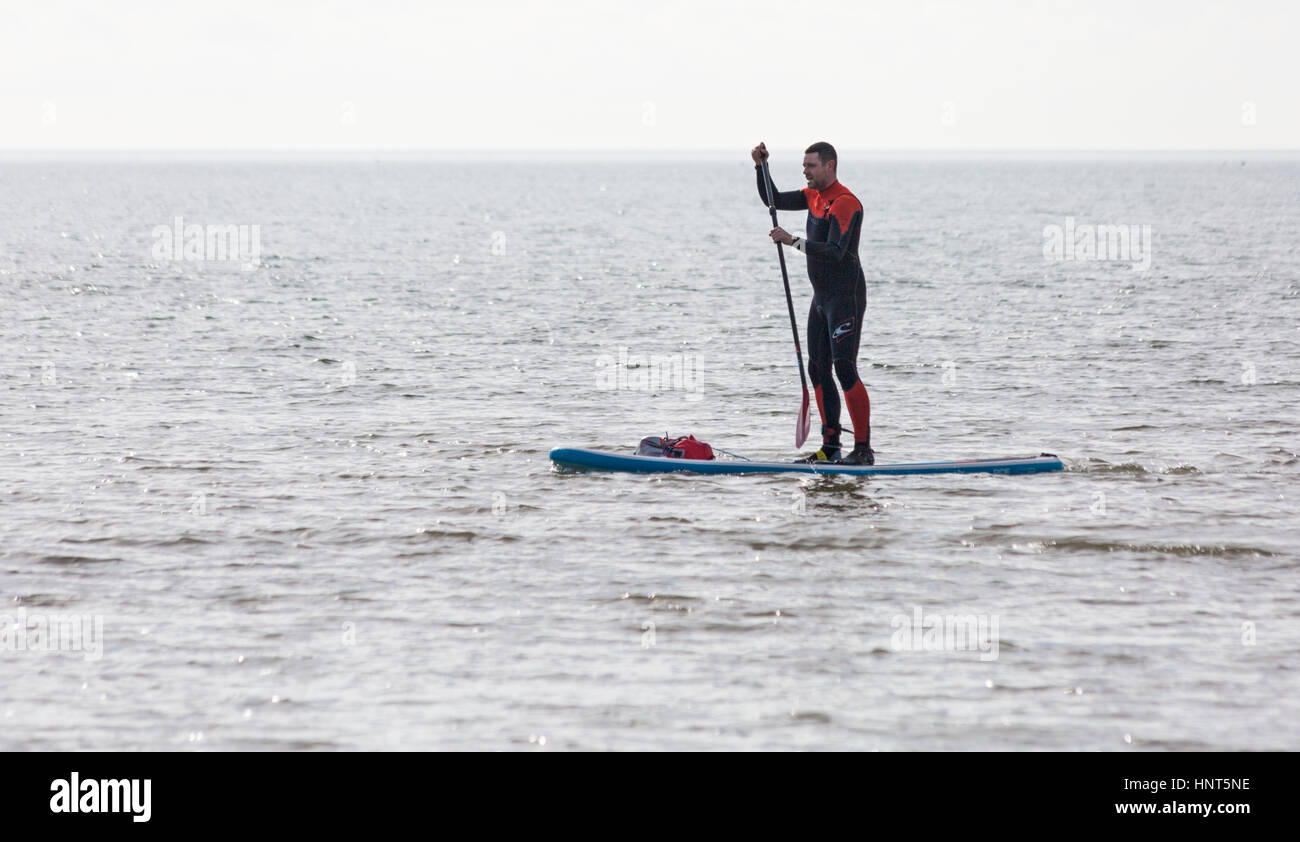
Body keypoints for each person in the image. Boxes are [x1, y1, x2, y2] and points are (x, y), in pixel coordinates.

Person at [752, 141, 873, 465]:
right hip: (820, 298)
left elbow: (835, 250)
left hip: (845, 297)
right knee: (817, 368)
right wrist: (760, 167)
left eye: (811, 166)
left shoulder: (845, 202)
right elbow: (773, 200)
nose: (805, 171)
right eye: (804, 166)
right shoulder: (812, 197)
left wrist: (793, 241)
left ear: (830, 166)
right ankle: (830, 446)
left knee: (844, 368)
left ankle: (862, 450)